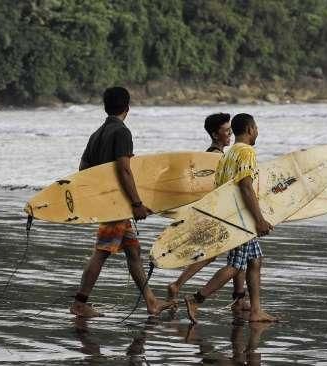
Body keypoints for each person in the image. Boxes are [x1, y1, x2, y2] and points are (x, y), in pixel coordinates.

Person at [70, 86, 175, 318]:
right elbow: (125, 170)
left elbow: (83, 170)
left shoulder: (97, 134)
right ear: (128, 107)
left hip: (109, 201)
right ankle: (79, 303)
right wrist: (137, 203)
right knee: (101, 252)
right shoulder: (122, 132)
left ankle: (151, 302)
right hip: (116, 204)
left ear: (105, 107)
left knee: (133, 252)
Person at [183, 113, 278, 323]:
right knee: (236, 265)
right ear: (250, 129)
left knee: (255, 260)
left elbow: (219, 187)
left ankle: (255, 311)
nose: (258, 132)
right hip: (240, 218)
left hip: (230, 214)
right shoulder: (246, 152)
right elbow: (245, 186)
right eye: (256, 128)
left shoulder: (228, 154)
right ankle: (196, 299)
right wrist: (259, 219)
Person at [167, 113, 252, 311]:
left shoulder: (215, 154)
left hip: (217, 212)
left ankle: (239, 298)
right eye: (226, 130)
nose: (230, 133)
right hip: (218, 213)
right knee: (224, 256)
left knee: (234, 254)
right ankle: (178, 285)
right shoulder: (214, 157)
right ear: (215, 134)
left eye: (231, 129)